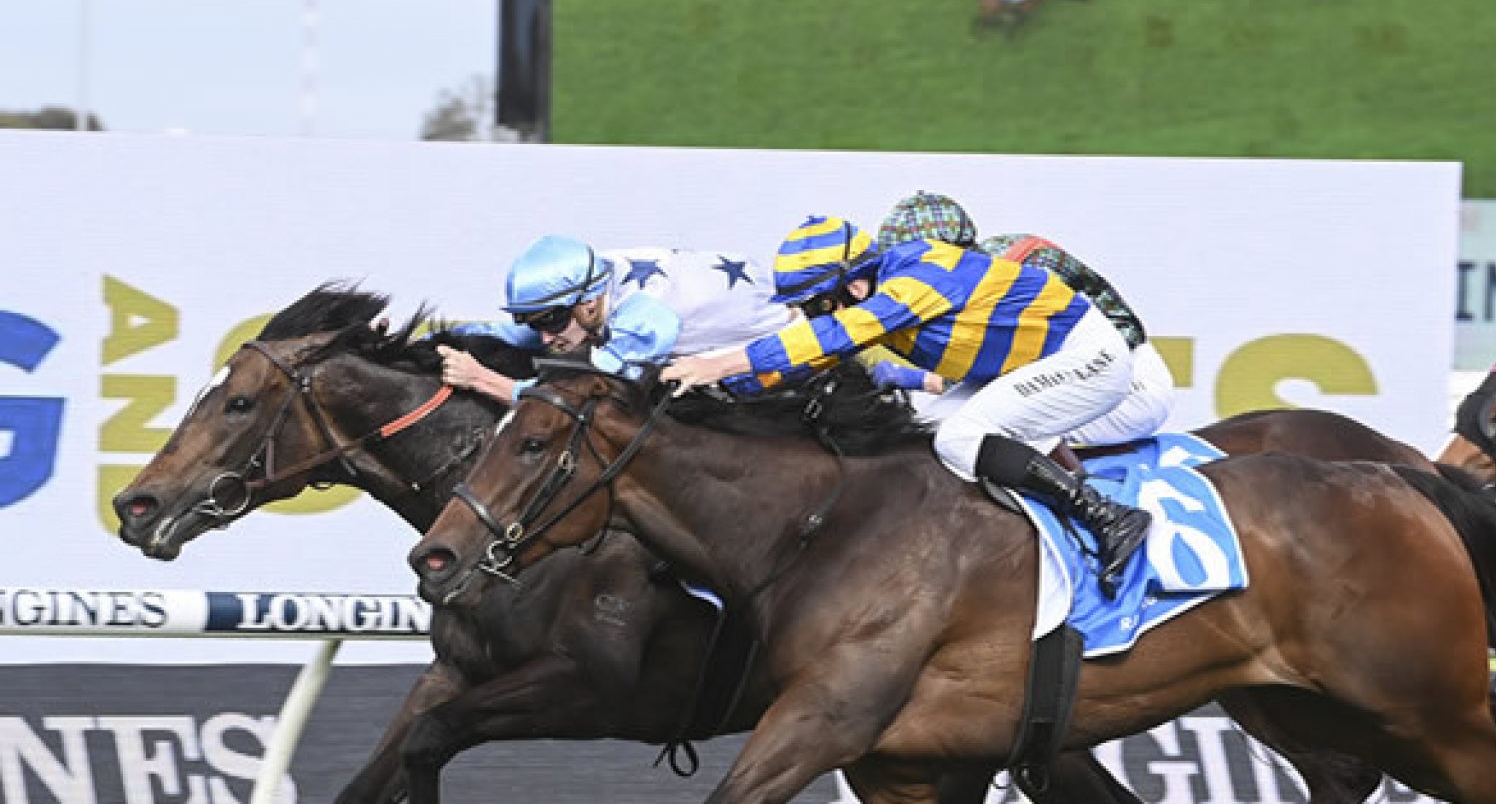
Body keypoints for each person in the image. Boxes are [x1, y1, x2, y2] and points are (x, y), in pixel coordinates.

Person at [661, 215, 1155, 593]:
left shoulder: (919, 278)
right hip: (1019, 366)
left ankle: (1106, 516)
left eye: (815, 303)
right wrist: (724, 392)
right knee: (915, 432)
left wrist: (721, 364)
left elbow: (836, 335)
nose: (809, 316)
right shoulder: (870, 289)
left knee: (960, 439)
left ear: (853, 284)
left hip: (1088, 357)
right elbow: (810, 358)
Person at [873, 190, 1175, 446]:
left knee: (974, 433)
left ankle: (1095, 508)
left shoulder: (1028, 268)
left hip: (1128, 386)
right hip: (1062, 376)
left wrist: (921, 379)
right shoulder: (970, 276)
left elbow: (1024, 368)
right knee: (929, 433)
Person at [439, 234, 792, 405]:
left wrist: (482, 380)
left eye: (552, 322)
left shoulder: (645, 314)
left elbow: (588, 390)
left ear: (589, 305)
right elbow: (503, 334)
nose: (545, 338)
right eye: (536, 324)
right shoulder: (589, 282)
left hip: (779, 354)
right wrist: (410, 342)